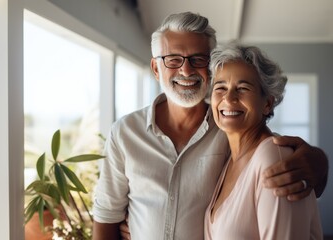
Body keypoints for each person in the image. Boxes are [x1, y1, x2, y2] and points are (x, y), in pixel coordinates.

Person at [92, 12, 328, 240]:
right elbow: (106, 216)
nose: (186, 70)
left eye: (198, 59)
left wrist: (320, 162)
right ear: (156, 68)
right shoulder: (125, 132)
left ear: (211, 66)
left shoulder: (230, 126)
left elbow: (272, 156)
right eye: (173, 59)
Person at [204, 41, 323, 239]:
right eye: (220, 88)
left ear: (267, 104)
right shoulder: (228, 160)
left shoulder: (274, 158)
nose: (229, 98)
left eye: (242, 88)